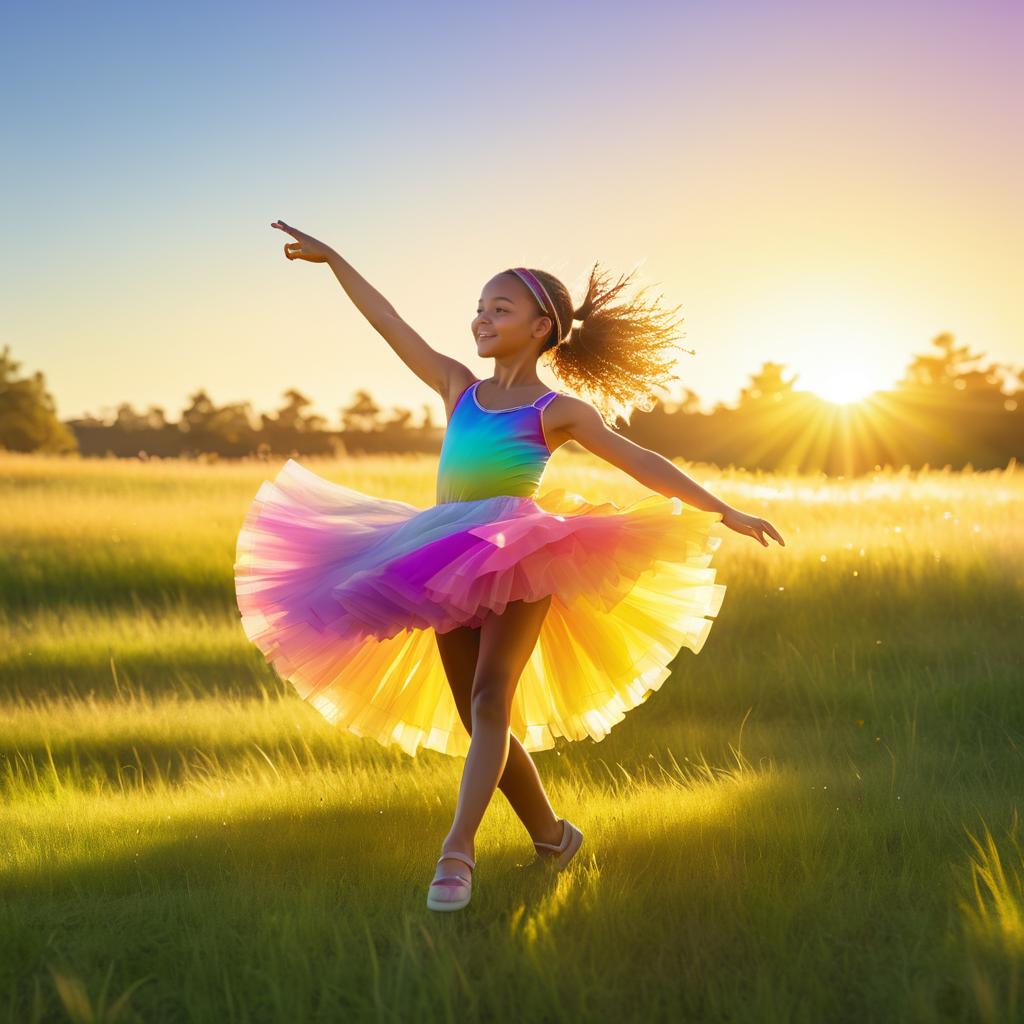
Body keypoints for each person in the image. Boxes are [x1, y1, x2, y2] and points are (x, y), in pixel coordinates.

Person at [234, 220, 785, 913]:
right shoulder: (457, 387)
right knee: (477, 719)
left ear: (542, 327)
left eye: (500, 309)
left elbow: (641, 461)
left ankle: (456, 852)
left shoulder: (560, 410)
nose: (481, 318)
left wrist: (723, 508)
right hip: (436, 558)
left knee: (493, 699)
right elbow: (388, 321)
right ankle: (554, 838)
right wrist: (334, 259)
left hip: (523, 557)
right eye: (479, 307)